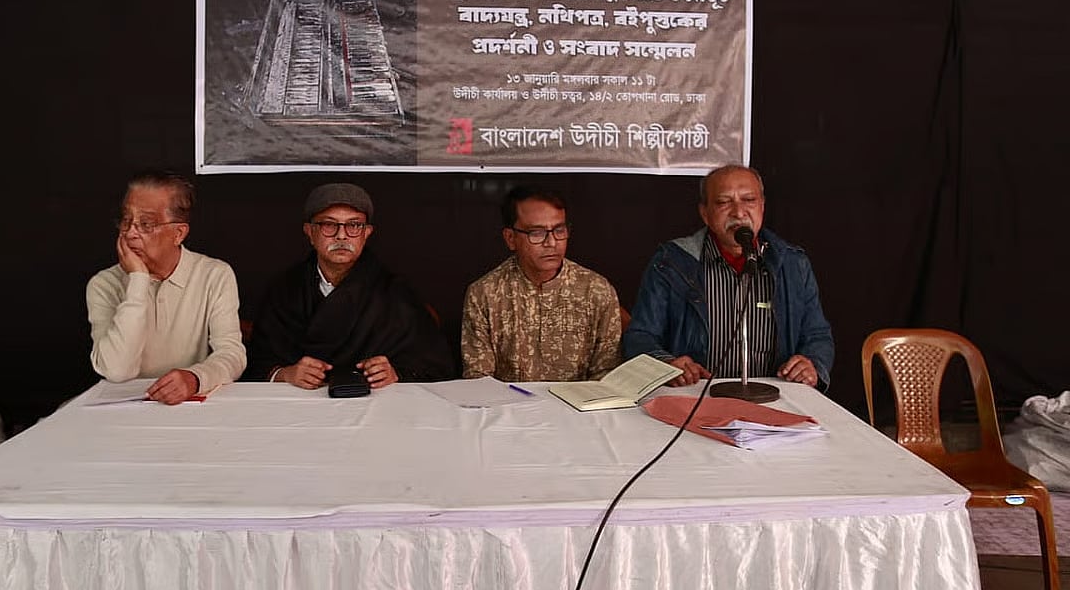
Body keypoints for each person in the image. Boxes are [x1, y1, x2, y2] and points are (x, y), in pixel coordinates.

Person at [622, 165, 834, 389]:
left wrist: (812, 363)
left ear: (762, 206)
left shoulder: (792, 264)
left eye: (749, 200)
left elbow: (818, 335)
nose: (738, 212)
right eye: (724, 202)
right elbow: (639, 337)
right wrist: (667, 364)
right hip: (696, 396)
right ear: (705, 213)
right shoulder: (672, 262)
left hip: (774, 396)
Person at [244, 183, 456, 388]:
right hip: (299, 407)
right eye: (329, 224)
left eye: (354, 225)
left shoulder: (394, 293)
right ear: (309, 232)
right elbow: (256, 360)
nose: (342, 235)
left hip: (376, 408)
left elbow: (435, 364)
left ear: (367, 233)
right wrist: (284, 374)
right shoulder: (284, 291)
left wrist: (395, 372)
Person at [87, 171, 246, 404]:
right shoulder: (104, 284)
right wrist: (138, 280)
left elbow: (233, 354)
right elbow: (117, 371)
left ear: (179, 233)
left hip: (190, 406)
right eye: (126, 220)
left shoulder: (214, 275)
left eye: (146, 224)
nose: (130, 233)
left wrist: (195, 378)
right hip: (122, 408)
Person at [461, 186, 622, 382]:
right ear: (510, 238)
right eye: (536, 233)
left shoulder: (596, 290)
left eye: (559, 230)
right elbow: (478, 379)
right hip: (508, 409)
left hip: (579, 409)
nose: (552, 242)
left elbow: (607, 375)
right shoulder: (484, 293)